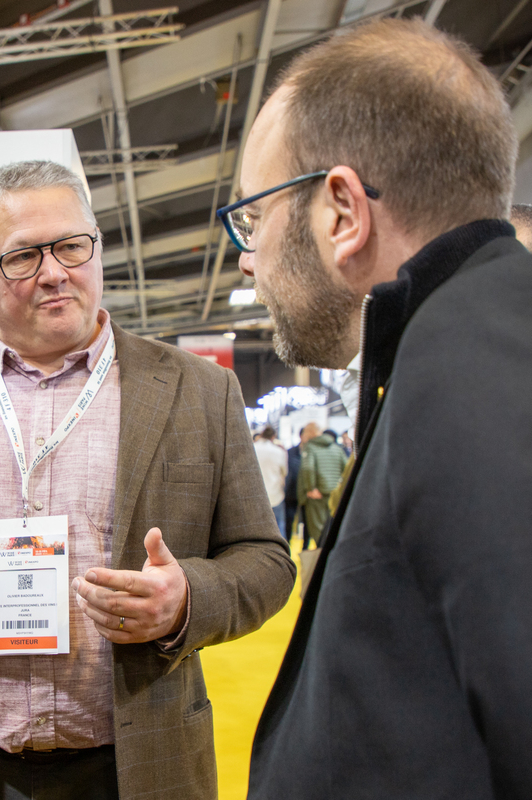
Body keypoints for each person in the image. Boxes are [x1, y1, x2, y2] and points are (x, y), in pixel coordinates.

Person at [0, 160, 295, 800]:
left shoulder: (198, 390)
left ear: (96, 246)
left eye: (70, 246)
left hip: (133, 762)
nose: (54, 271)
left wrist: (184, 601)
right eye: (23, 256)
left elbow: (265, 559)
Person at [220, 18, 532, 798]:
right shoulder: (448, 341)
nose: (248, 259)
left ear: (342, 213)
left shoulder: (469, 358)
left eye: (254, 219)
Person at [296, 428, 347, 549]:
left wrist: (311, 488)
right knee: (332, 527)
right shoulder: (337, 448)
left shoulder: (311, 447)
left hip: (317, 495)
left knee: (318, 529)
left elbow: (308, 468)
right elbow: (346, 468)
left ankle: (322, 555)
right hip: (334, 494)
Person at [253, 426, 287, 536]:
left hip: (255, 496)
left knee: (256, 530)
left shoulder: (252, 448)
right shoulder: (279, 451)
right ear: (273, 437)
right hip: (274, 495)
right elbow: (284, 472)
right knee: (279, 528)